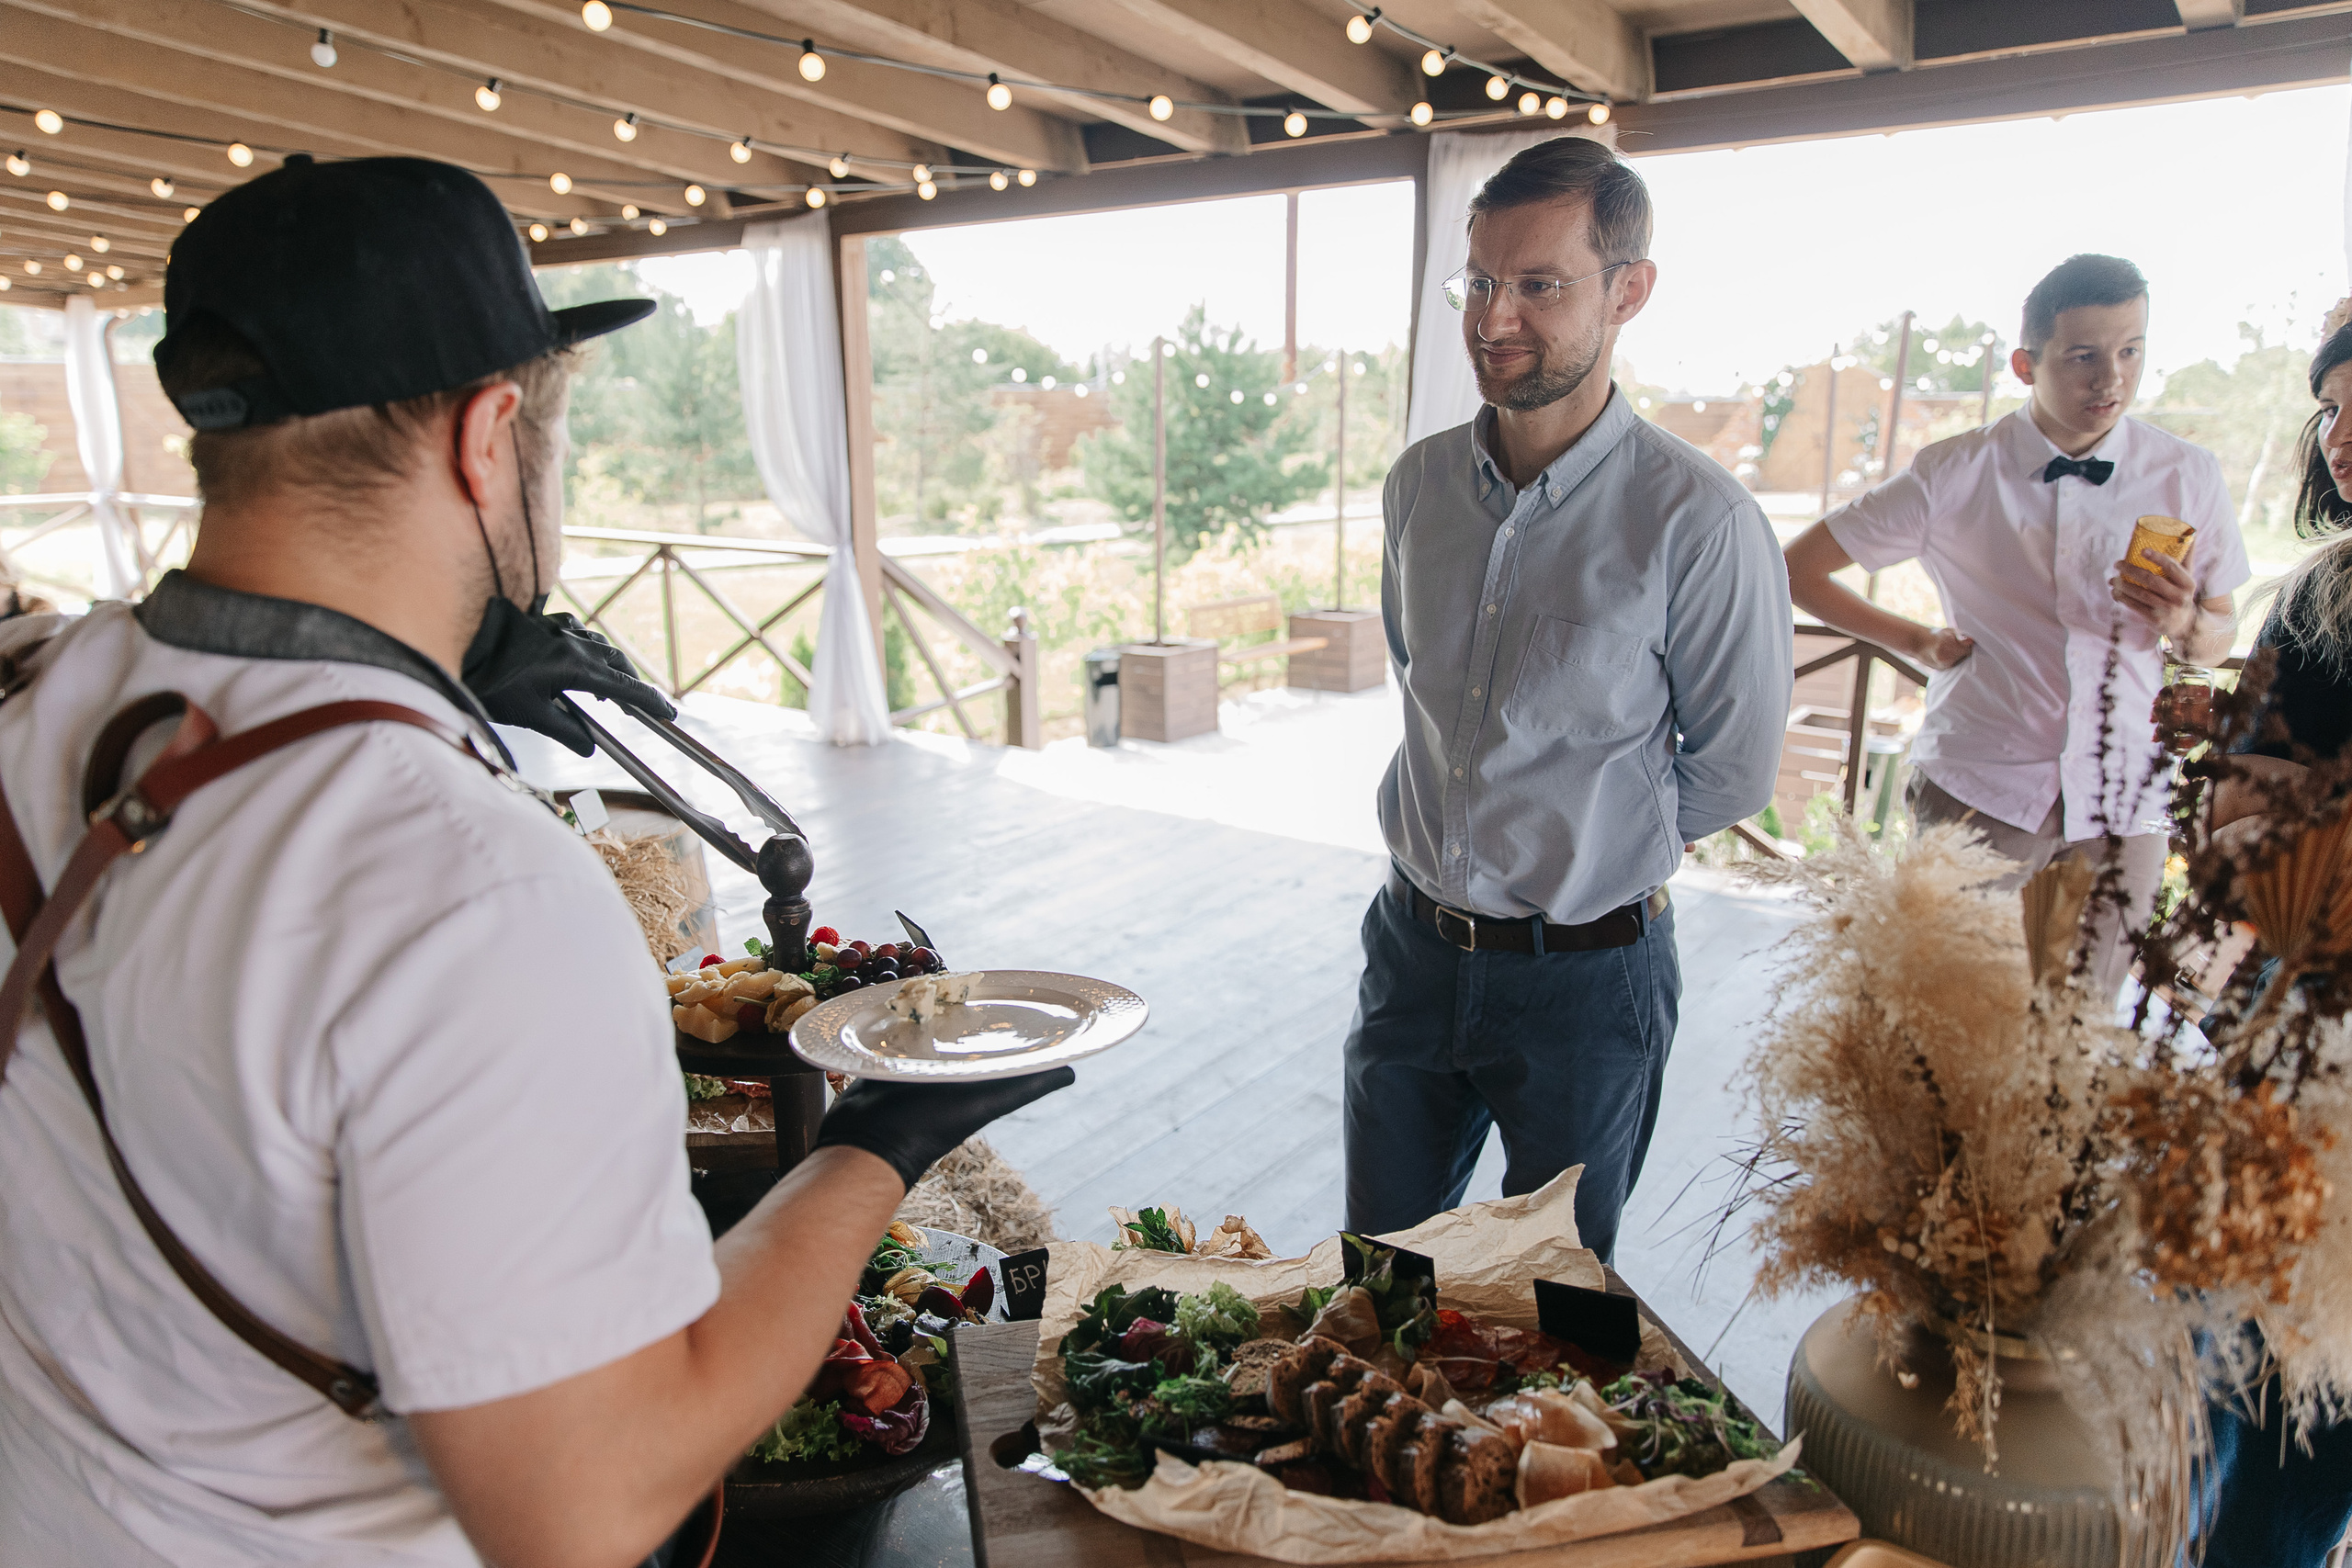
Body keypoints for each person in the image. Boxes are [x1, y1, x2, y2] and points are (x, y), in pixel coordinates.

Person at [0, 156, 1069, 1567]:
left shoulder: (43, 701)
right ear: (486, 438)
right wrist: (880, 1145)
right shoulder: (470, 886)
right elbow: (583, 1506)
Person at [1344, 137, 1793, 1263]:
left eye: (1540, 285)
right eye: (1482, 281)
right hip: (1412, 951)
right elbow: (1420, 684)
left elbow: (1732, 769)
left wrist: (1586, 853)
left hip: (1588, 989)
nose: (1496, 319)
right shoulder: (1419, 489)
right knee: (1380, 1273)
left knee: (1548, 1302)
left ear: (1627, 290)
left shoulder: (1700, 520)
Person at [1783, 254, 2249, 1000]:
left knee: (2078, 1036)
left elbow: (2219, 634)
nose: (2112, 379)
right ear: (2026, 362)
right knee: (1952, 1026)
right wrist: (1915, 640)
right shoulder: (1955, 472)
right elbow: (1797, 569)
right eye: (2084, 356)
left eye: (2131, 350)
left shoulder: (2187, 474)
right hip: (1981, 785)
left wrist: (2186, 620)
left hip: (2123, 801)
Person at [2186, 303, 2352, 1568]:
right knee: (2244, 1361)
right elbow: (2239, 775)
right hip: (2288, 1024)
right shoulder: (2314, 596)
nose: (2342, 437)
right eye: (2334, 409)